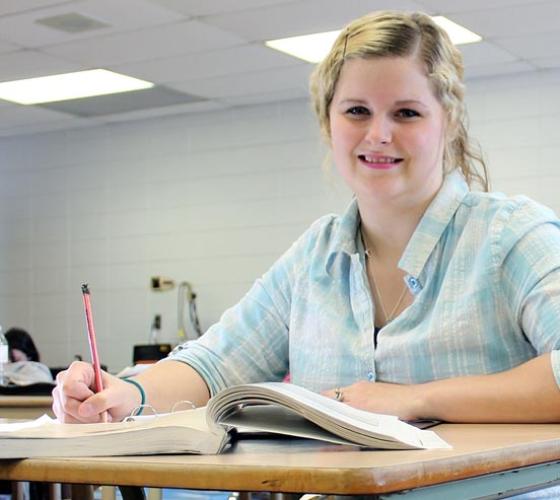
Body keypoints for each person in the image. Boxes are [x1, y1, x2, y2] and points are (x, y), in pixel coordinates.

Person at [53, 10, 560, 425]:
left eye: (406, 113)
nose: (378, 134)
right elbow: (214, 366)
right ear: (328, 122)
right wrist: (124, 394)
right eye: (356, 111)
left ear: (446, 124)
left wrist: (418, 398)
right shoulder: (313, 259)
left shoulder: (511, 236)